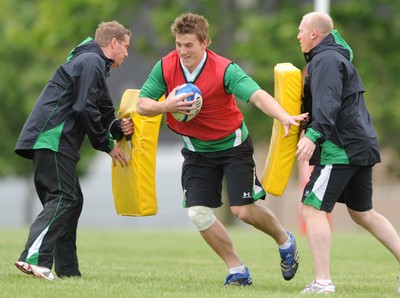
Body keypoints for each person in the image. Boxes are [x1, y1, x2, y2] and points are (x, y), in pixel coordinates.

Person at [136, 12, 306, 286]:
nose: (182, 51)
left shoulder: (224, 69)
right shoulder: (166, 67)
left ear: (205, 42)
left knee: (244, 211)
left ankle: (285, 240)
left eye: (189, 45)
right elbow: (142, 104)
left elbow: (258, 95)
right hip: (196, 152)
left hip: (233, 146)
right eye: (178, 44)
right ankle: (237, 270)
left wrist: (284, 116)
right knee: (198, 213)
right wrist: (167, 105)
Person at [14, 21, 134, 281]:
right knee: (64, 198)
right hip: (53, 139)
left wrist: (117, 128)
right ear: (113, 43)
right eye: (125, 47)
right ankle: (33, 258)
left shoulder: (93, 65)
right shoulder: (92, 61)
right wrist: (107, 145)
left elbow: (101, 111)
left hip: (55, 142)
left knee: (70, 200)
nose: (126, 54)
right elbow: (83, 108)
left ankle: (68, 272)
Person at [296, 12, 400, 294]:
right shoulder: (331, 57)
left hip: (339, 149)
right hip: (358, 145)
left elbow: (328, 103)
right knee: (363, 212)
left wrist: (313, 136)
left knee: (312, 209)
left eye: (301, 31)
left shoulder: (325, 60)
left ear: (315, 34)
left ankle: (322, 282)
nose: (298, 36)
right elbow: (330, 104)